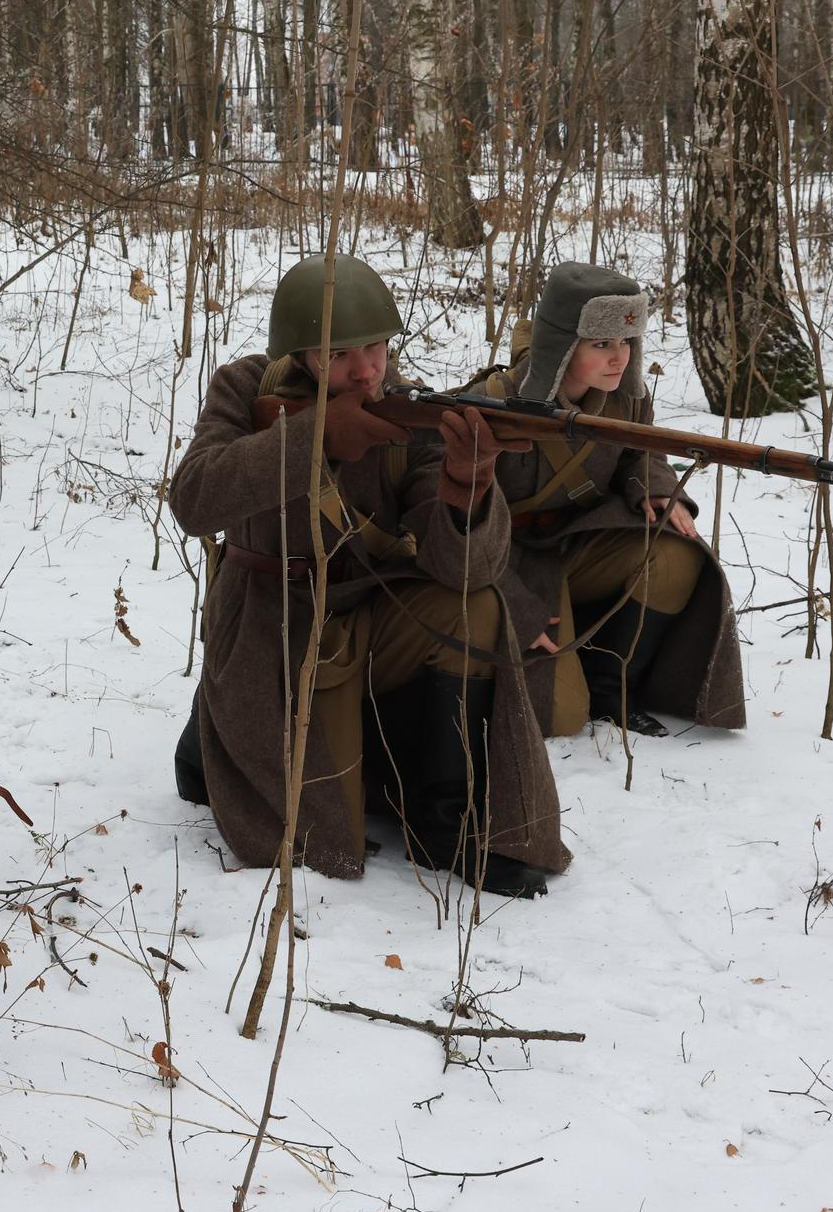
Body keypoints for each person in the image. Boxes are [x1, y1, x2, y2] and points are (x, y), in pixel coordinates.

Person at [168, 254, 567, 898]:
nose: (366, 370)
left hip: (366, 613)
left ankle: (447, 826)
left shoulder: (405, 410)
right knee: (320, 830)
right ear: (301, 352)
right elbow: (193, 499)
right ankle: (209, 740)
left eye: (376, 348)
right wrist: (313, 439)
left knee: (475, 608)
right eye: (341, 354)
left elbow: (460, 569)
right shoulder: (246, 386)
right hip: (274, 627)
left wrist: (468, 485)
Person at [470, 262, 747, 737]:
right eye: (601, 344)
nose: (619, 357)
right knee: (559, 716)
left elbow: (640, 449)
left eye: (626, 342)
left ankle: (612, 687)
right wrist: (509, 602)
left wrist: (656, 484)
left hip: (581, 544)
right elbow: (457, 525)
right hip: (509, 564)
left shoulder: (624, 396)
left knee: (676, 555)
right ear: (560, 344)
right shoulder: (492, 404)